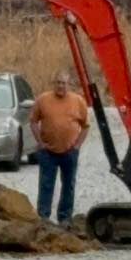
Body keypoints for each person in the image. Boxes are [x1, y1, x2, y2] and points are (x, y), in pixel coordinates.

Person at [29, 71, 90, 225]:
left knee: (68, 185)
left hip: (69, 152)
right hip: (47, 152)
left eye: (64, 83)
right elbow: (33, 121)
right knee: (46, 184)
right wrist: (40, 142)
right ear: (53, 83)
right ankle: (43, 217)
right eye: (58, 82)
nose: (60, 86)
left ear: (69, 85)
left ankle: (65, 217)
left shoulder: (78, 101)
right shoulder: (43, 100)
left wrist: (77, 146)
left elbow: (86, 126)